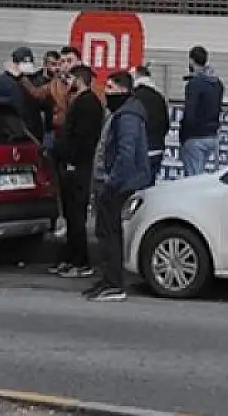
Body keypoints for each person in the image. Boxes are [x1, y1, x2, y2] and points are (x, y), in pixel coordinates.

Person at [86, 71, 151, 303]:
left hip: (118, 185)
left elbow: (126, 155)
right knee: (105, 232)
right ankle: (107, 280)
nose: (106, 93)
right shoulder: (121, 113)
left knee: (110, 232)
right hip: (112, 182)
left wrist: (111, 183)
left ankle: (114, 283)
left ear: (123, 90)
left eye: (111, 89)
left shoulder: (128, 116)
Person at [49, 65, 104, 279]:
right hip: (71, 165)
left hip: (78, 167)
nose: (66, 81)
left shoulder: (88, 104)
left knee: (77, 216)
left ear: (79, 80)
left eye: (70, 77)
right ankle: (70, 258)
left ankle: (81, 262)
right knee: (71, 217)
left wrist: (72, 161)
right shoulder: (78, 100)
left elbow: (83, 139)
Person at [180, 46, 224, 177]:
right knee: (199, 174)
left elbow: (190, 113)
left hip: (195, 136)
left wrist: (183, 136)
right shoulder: (217, 83)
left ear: (191, 61)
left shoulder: (194, 84)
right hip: (212, 135)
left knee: (192, 179)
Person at [0, 47, 47, 142]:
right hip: (12, 132)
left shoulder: (36, 80)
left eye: (29, 62)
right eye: (24, 62)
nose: (27, 65)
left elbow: (42, 102)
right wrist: (9, 102)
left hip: (33, 133)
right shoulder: (3, 80)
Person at [131, 65, 170, 184]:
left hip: (139, 150)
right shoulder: (160, 97)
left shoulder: (133, 97)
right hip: (157, 148)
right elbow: (166, 124)